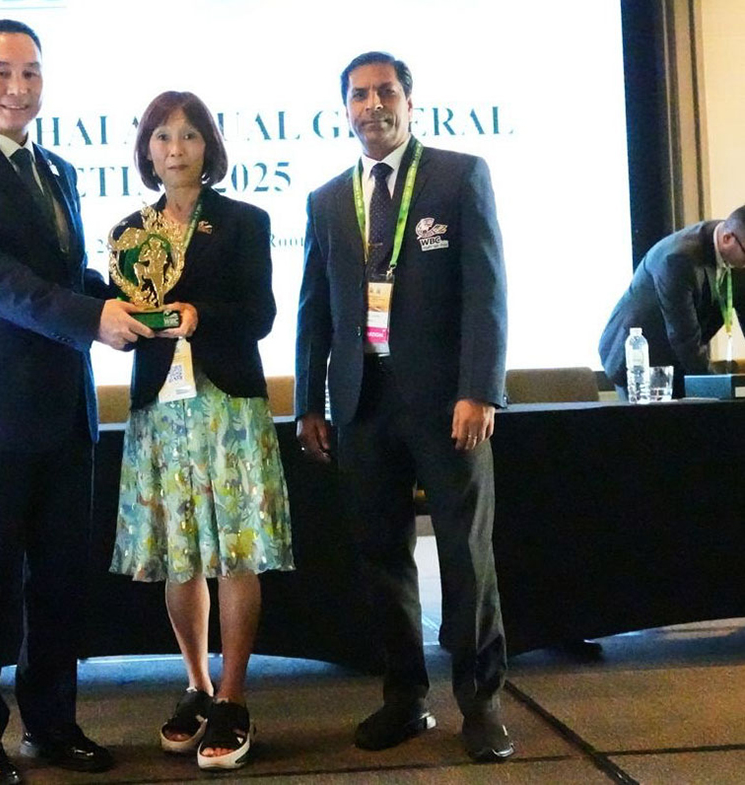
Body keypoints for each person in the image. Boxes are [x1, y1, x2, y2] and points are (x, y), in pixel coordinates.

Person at [0, 19, 153, 785]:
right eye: (3, 72)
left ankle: (51, 723)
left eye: (32, 73)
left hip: (65, 408)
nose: (19, 88)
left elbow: (64, 275)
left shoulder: (58, 169)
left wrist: (135, 305)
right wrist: (92, 319)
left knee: (59, 582)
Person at [294, 52, 512, 762]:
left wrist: (479, 388)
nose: (372, 105)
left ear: (410, 102)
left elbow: (486, 291)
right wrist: (309, 402)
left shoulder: (458, 175)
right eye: (359, 95)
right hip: (362, 403)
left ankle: (480, 703)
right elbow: (314, 310)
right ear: (345, 110)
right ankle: (404, 697)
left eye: (385, 91)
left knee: (465, 554)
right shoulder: (328, 199)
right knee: (381, 554)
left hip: (448, 401)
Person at [108, 91, 294, 773]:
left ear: (209, 146)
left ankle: (234, 697)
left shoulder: (244, 220)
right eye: (162, 136)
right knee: (180, 552)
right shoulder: (130, 232)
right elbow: (125, 318)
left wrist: (198, 314)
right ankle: (198, 684)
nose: (175, 148)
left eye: (188, 135)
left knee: (236, 548)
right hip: (163, 408)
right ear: (146, 150)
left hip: (227, 407)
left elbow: (262, 313)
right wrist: (131, 321)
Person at [599, 204, 745, 398]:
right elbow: (684, 337)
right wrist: (718, 388)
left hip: (680, 361)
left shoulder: (737, 244)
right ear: (727, 239)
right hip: (642, 361)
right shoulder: (678, 259)